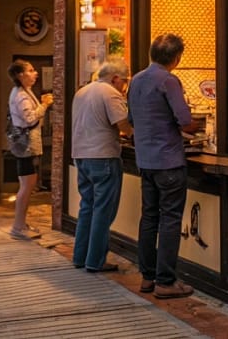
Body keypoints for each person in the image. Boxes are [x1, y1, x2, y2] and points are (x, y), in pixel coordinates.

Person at [128, 33, 200, 299]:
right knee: (170, 220)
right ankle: (166, 282)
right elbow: (185, 121)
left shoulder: (136, 80)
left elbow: (131, 118)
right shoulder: (169, 80)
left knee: (149, 218)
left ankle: (147, 277)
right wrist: (193, 126)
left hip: (145, 160)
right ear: (177, 58)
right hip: (168, 161)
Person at [70, 57, 133, 273]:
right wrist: (136, 134)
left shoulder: (82, 91)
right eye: (125, 81)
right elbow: (123, 125)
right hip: (103, 156)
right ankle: (95, 261)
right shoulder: (110, 93)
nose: (124, 86)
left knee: (87, 207)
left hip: (81, 155)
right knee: (103, 211)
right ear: (116, 78)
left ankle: (80, 256)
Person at [6, 59, 53, 240]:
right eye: (31, 70)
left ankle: (21, 224)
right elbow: (30, 119)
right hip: (25, 145)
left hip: (26, 145)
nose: (35, 73)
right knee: (26, 187)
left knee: (28, 185)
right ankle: (18, 226)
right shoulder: (21, 96)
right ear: (20, 75)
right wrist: (45, 105)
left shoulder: (24, 92)